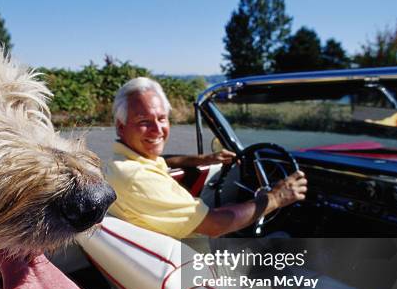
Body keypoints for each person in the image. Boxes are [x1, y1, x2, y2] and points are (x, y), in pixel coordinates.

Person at [104, 77, 307, 238]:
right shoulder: (137, 179)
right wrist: (274, 198)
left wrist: (203, 159)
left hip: (178, 258)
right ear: (121, 127)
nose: (157, 130)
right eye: (144, 121)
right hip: (203, 271)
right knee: (282, 240)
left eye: (162, 118)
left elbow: (162, 161)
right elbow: (216, 225)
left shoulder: (125, 164)